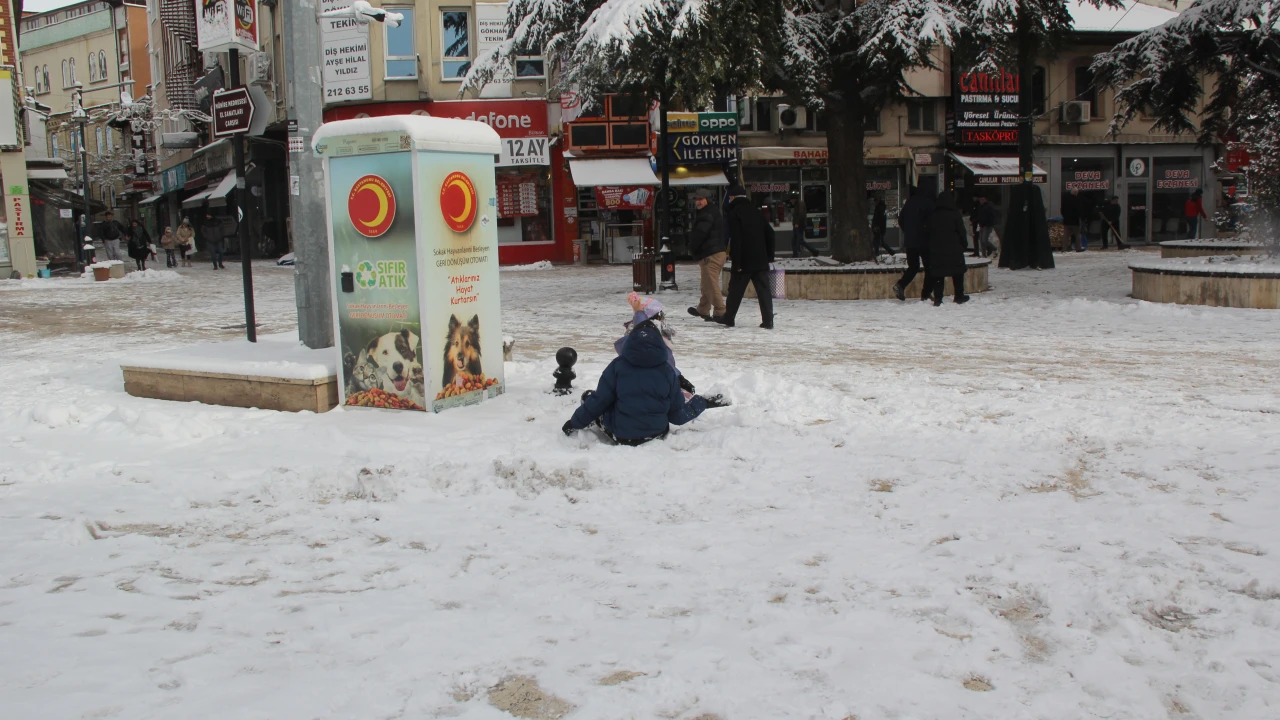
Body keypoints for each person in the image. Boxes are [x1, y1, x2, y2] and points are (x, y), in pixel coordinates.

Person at [562, 317, 709, 445]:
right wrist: (701, 402)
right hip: (657, 434)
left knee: (589, 396)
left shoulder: (617, 366)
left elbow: (599, 401)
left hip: (621, 434)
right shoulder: (667, 371)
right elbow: (677, 415)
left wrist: (575, 423)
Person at [716, 185, 776, 329]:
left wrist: (737, 262)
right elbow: (770, 233)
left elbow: (737, 239)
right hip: (760, 260)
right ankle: (768, 320)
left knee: (735, 291)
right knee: (764, 291)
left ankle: (729, 318)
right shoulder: (756, 211)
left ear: (732, 197)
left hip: (744, 261)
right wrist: (769, 256)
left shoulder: (734, 212)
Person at [685, 188, 727, 321]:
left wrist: (692, 247)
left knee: (711, 285)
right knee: (706, 283)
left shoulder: (706, 214)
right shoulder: (710, 212)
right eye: (696, 199)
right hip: (714, 253)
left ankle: (721, 311)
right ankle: (703, 309)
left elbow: (700, 234)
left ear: (707, 200)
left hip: (711, 254)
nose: (698, 202)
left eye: (701, 199)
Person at [924, 192, 970, 306]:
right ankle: (959, 295)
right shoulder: (955, 214)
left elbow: (927, 232)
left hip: (937, 250)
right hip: (954, 249)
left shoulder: (933, 215)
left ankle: (938, 298)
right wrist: (963, 245)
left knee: (938, 275)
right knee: (958, 273)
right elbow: (961, 231)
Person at [892, 186, 935, 301]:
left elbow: (901, 220)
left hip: (910, 241)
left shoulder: (909, 203)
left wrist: (908, 232)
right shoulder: (929, 203)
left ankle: (901, 284)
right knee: (929, 267)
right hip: (924, 241)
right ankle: (926, 293)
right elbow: (932, 222)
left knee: (913, 266)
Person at [790, 192, 821, 257]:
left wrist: (797, 223)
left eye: (791, 200)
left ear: (794, 199)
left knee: (800, 240)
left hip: (799, 225)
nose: (791, 201)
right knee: (794, 241)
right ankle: (795, 254)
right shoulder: (797, 204)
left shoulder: (800, 204)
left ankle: (814, 251)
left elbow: (801, 214)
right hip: (797, 225)